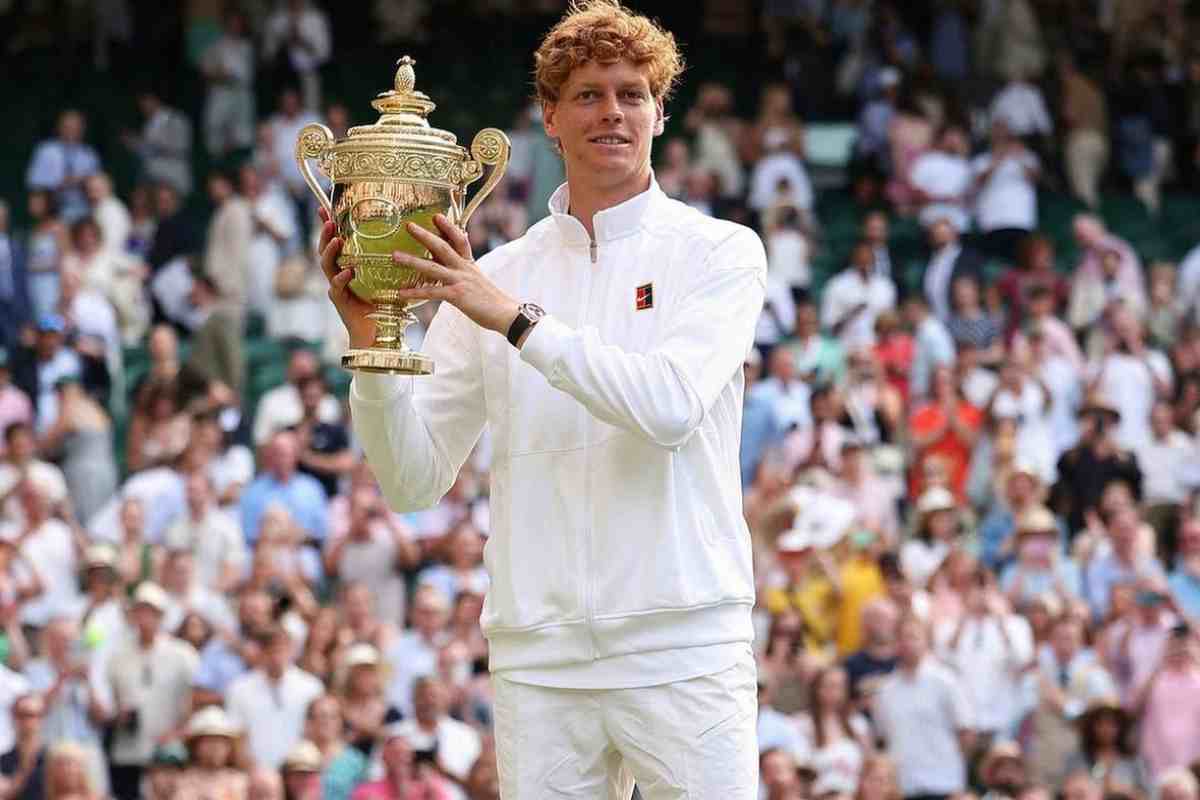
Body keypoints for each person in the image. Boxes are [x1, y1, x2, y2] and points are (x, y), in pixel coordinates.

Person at [326, 2, 765, 797]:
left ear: (661, 114)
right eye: (589, 94)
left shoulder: (721, 252)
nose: (613, 112)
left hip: (685, 646)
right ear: (551, 118)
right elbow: (412, 480)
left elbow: (669, 407)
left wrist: (514, 321)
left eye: (632, 94)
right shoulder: (495, 274)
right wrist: (376, 351)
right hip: (539, 659)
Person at [873, 615, 975, 800]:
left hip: (943, 784)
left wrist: (955, 771)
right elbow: (883, 737)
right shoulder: (886, 691)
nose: (908, 643)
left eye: (913, 637)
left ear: (926, 640)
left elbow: (966, 731)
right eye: (902, 637)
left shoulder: (946, 681)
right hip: (903, 786)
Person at [25, 111, 101, 224]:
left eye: (76, 127)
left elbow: (98, 187)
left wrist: (85, 182)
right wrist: (63, 183)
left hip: (83, 211)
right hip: (52, 210)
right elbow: (35, 186)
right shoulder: (46, 151)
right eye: (67, 126)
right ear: (59, 127)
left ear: (82, 129)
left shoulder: (89, 155)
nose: (71, 130)